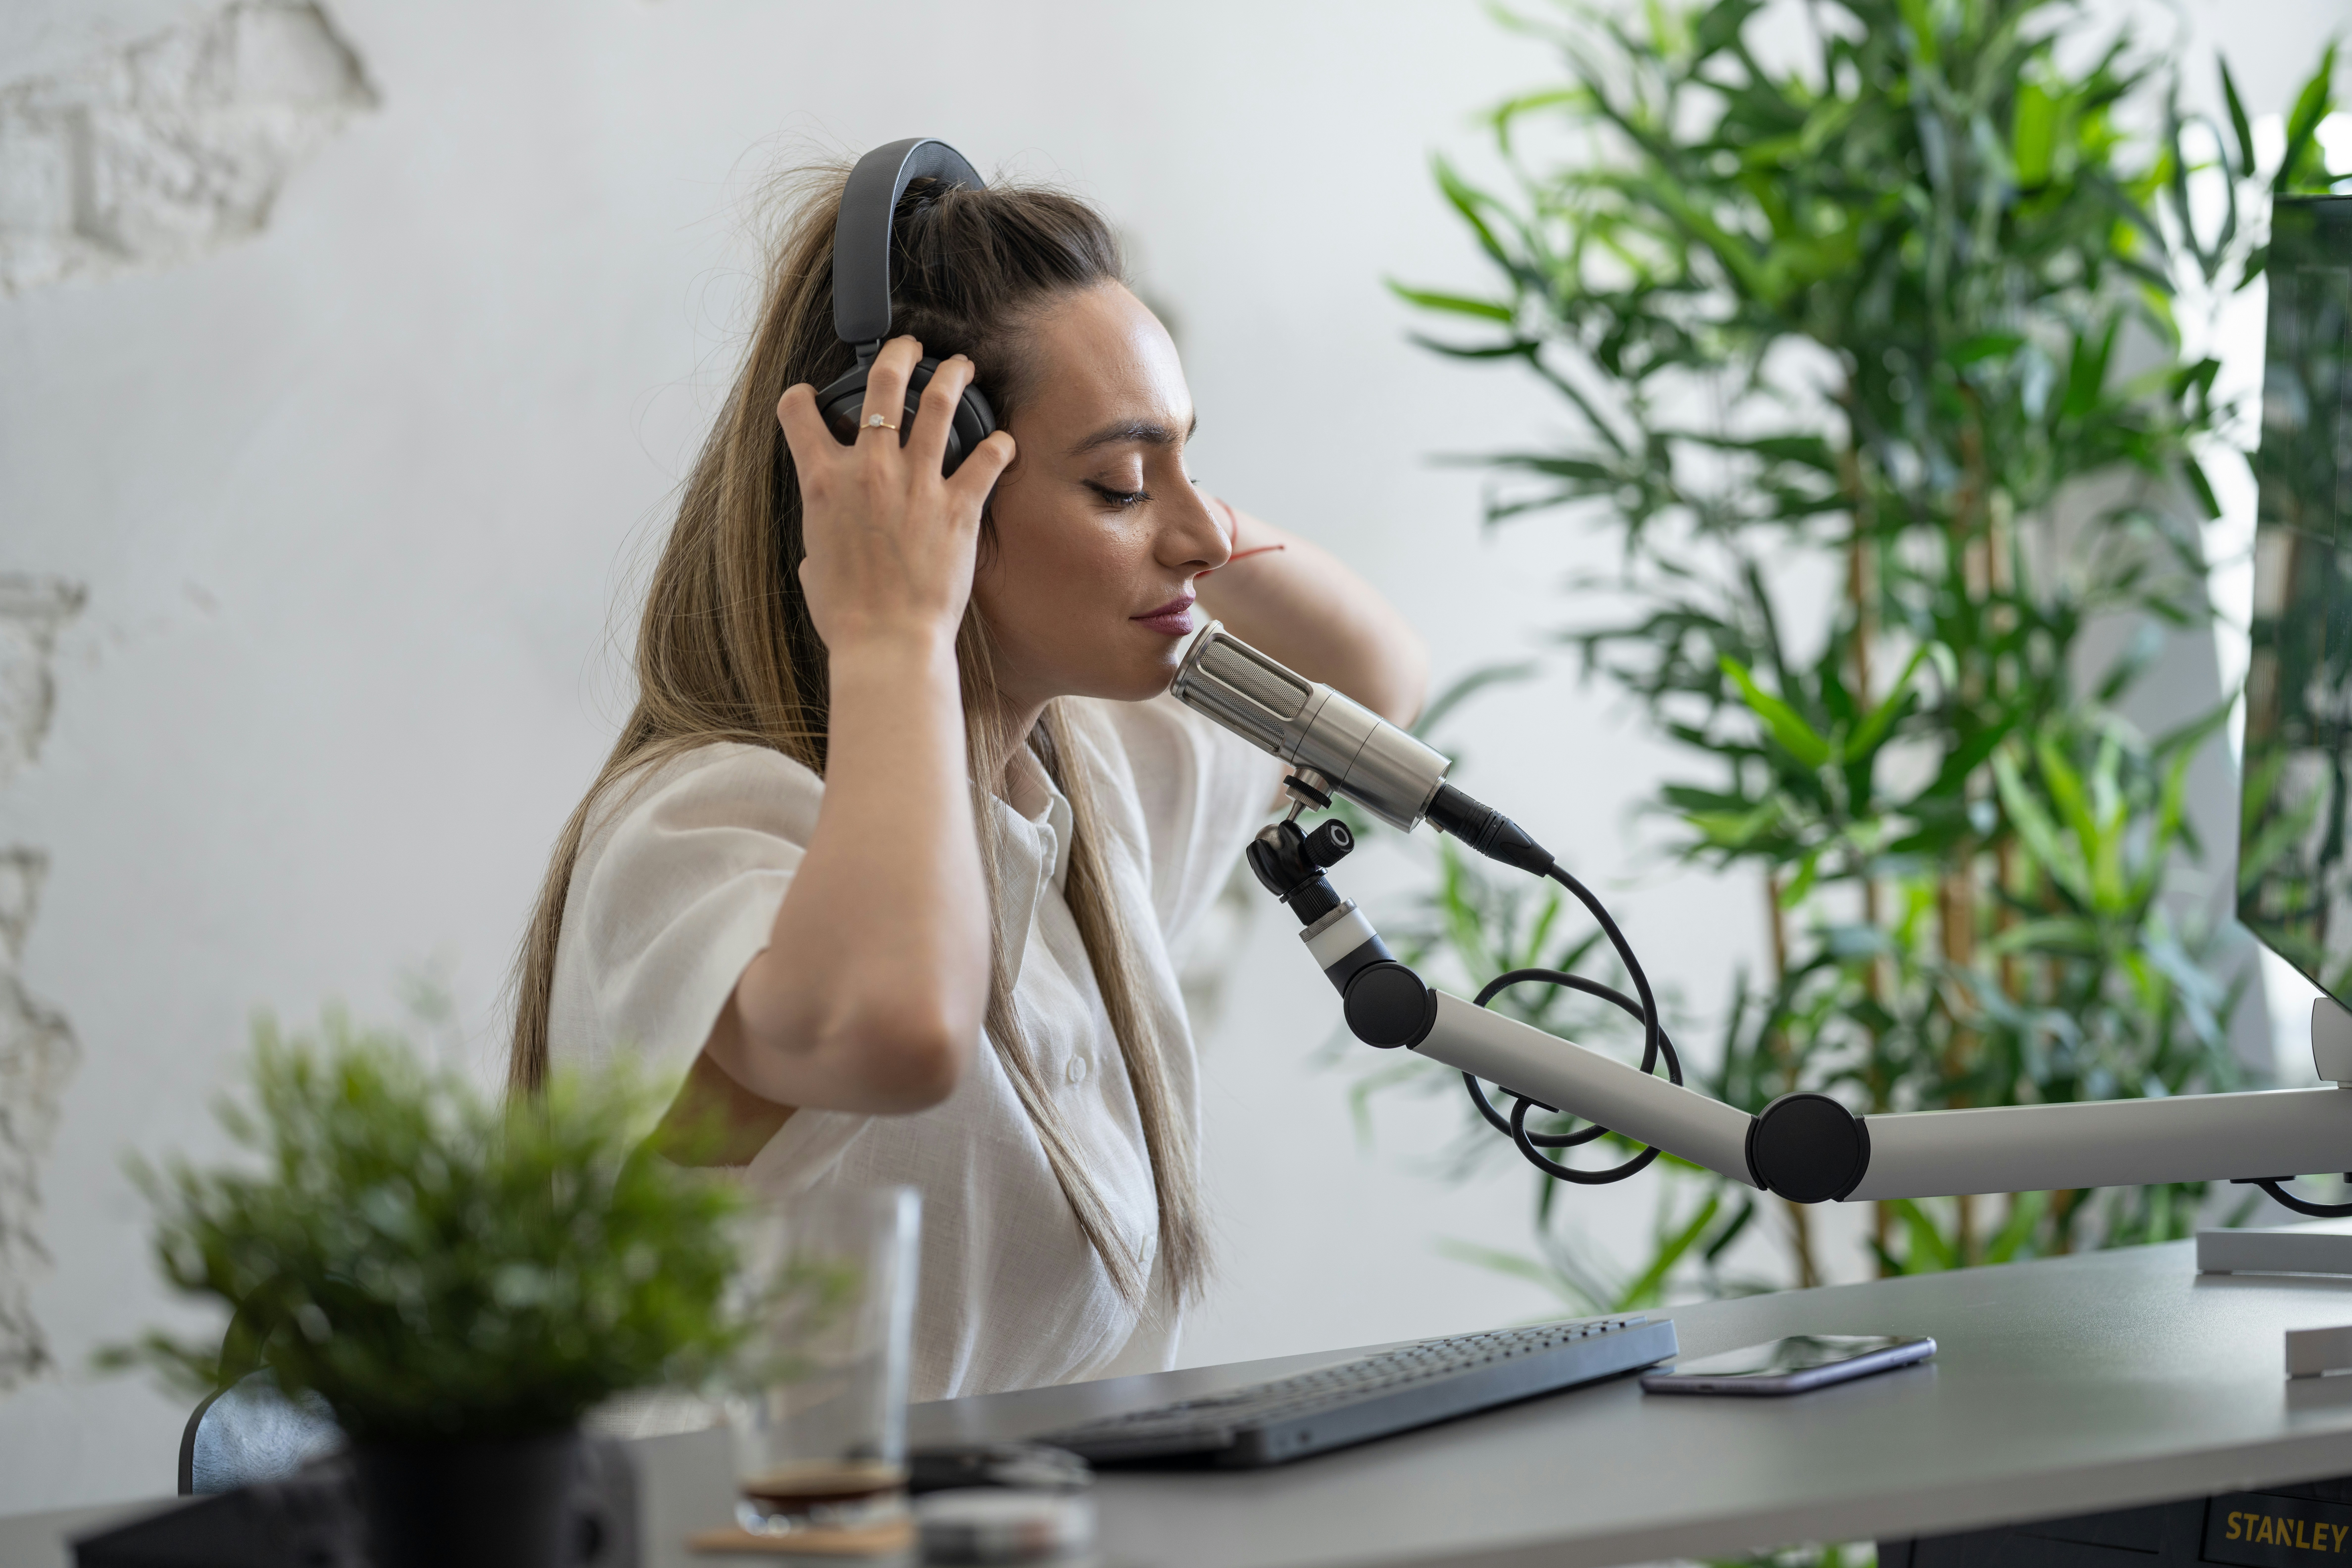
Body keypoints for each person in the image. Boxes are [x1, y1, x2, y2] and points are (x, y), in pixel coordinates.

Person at [509, 163, 1428, 1401]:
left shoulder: (1079, 798)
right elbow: (902, 1031)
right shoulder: (704, 832)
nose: (1207, 539)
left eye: (1188, 468)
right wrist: (891, 632)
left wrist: (1149, 462)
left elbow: (1365, 674)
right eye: (1115, 484)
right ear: (915, 482)